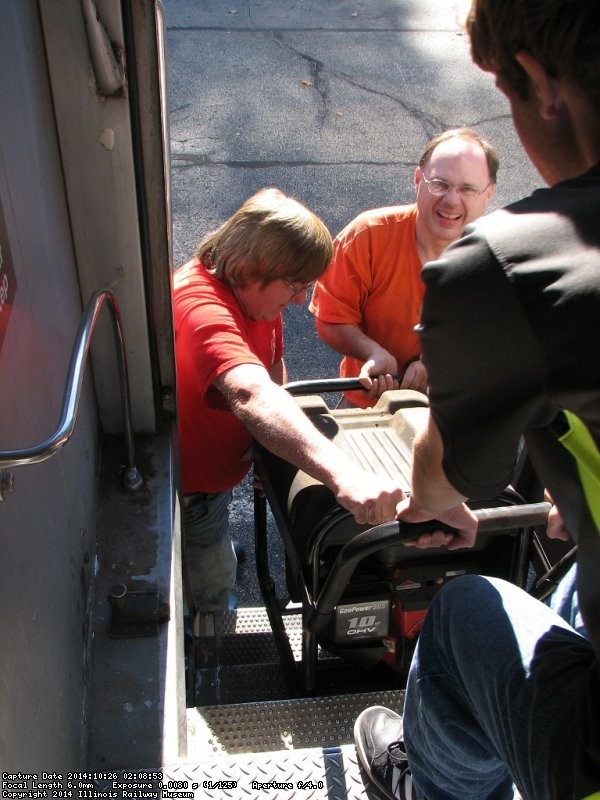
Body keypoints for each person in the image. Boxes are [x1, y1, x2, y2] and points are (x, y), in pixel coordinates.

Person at [353, 1, 600, 799]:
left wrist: (438, 495)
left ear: (537, 82)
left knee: (462, 616)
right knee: (562, 592)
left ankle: (431, 785)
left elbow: (446, 484)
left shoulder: (515, 261)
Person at [173, 188, 405, 612]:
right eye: (296, 286)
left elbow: (272, 372)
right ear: (251, 267)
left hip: (221, 477)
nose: (301, 300)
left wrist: (270, 450)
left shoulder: (253, 290)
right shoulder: (200, 308)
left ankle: (217, 556)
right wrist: (344, 475)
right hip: (195, 491)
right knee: (209, 582)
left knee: (215, 535)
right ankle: (208, 635)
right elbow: (250, 391)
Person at [309, 128, 497, 407]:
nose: (451, 200)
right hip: (366, 407)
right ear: (418, 179)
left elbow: (496, 339)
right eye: (440, 184)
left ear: (488, 194)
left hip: (454, 413)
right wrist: (372, 352)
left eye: (467, 188)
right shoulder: (368, 236)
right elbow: (331, 318)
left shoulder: (498, 259)